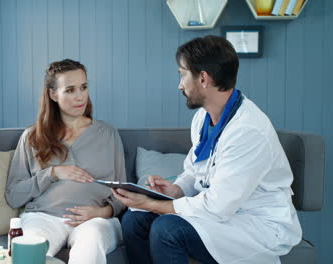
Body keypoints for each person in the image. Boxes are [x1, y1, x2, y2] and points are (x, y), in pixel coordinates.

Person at [112, 36, 302, 264]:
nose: (180, 85)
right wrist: (175, 190)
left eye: (183, 74)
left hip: (257, 224)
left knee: (168, 230)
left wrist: (152, 204)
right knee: (134, 221)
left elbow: (218, 206)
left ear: (203, 78)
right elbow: (194, 171)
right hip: (222, 214)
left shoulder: (247, 130)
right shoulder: (202, 118)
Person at [5, 59, 126, 264]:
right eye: (70, 90)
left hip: (95, 220)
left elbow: (123, 193)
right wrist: (52, 173)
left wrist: (101, 212)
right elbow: (14, 195)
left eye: (83, 87)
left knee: (89, 244)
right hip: (43, 217)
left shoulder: (108, 134)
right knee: (29, 251)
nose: (80, 96)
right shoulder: (32, 137)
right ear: (53, 94)